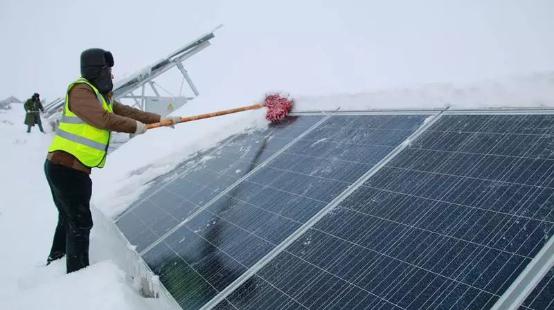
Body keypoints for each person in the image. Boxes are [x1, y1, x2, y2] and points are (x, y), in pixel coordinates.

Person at [44, 48, 180, 273]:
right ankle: (76, 276)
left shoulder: (100, 96)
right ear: (97, 70)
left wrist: (160, 119)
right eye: (108, 70)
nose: (113, 76)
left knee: (68, 218)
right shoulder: (81, 91)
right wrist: (134, 128)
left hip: (69, 168)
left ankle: (55, 262)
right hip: (66, 168)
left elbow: (126, 111)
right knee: (80, 223)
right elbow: (102, 119)